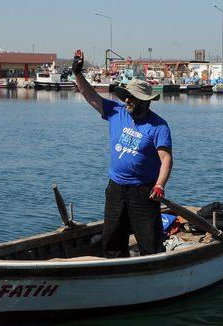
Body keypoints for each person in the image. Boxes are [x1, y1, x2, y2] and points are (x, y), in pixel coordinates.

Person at [72, 49, 173, 258]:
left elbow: (166, 160)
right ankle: (115, 270)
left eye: (132, 98)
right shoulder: (116, 112)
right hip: (116, 188)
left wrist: (160, 185)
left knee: (149, 242)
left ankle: (153, 274)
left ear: (146, 101)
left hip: (144, 191)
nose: (127, 101)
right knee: (112, 238)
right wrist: (78, 73)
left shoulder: (158, 126)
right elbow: (90, 96)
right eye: (126, 96)